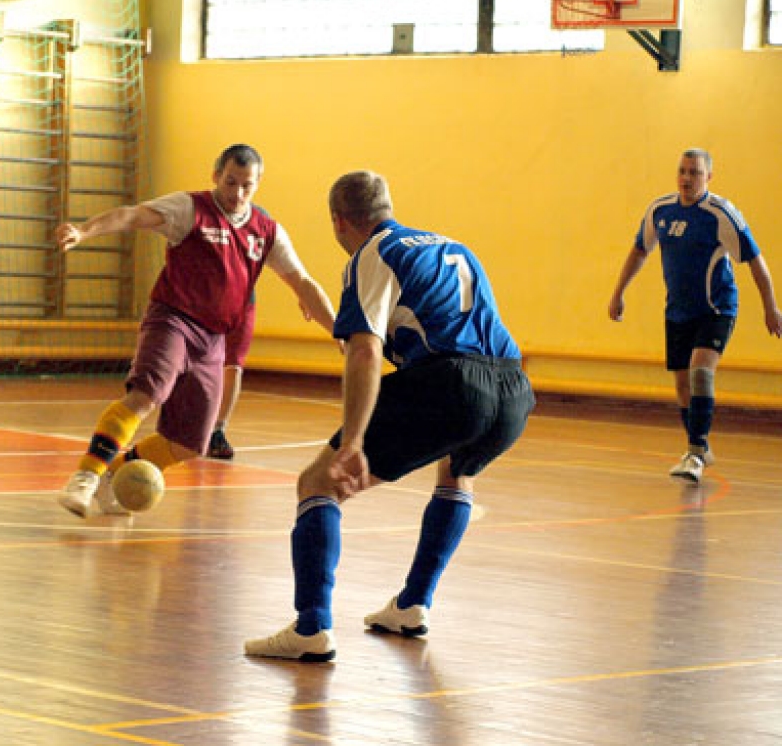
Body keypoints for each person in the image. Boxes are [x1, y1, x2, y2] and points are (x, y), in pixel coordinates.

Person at [244, 170, 534, 662]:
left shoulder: (373, 254)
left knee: (319, 482)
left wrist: (353, 441)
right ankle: (413, 604)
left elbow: (364, 352)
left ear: (338, 220)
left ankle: (311, 626)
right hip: (513, 388)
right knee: (457, 473)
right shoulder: (453, 247)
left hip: (453, 384)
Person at [55, 144, 336, 516]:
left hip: (213, 339)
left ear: (257, 184)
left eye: (246, 186)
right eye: (231, 182)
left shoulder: (266, 231)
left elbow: (302, 281)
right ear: (216, 175)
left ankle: (114, 475)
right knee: (145, 396)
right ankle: (85, 477)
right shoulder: (189, 209)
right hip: (173, 319)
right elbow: (131, 216)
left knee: (190, 443)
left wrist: (339, 330)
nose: (237, 193)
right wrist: (84, 231)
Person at [609, 148, 782, 483]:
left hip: (716, 309)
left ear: (709, 177)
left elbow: (755, 261)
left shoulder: (720, 214)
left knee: (700, 373)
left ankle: (696, 452)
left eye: (695, 173)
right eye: (682, 171)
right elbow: (639, 250)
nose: (687, 179)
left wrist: (770, 307)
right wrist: (618, 293)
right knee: (682, 385)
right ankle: (698, 445)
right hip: (678, 312)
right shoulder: (660, 210)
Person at [206, 292, 255, 460]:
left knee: (234, 364)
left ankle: (217, 431)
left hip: (242, 301)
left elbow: (295, 275)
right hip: (203, 300)